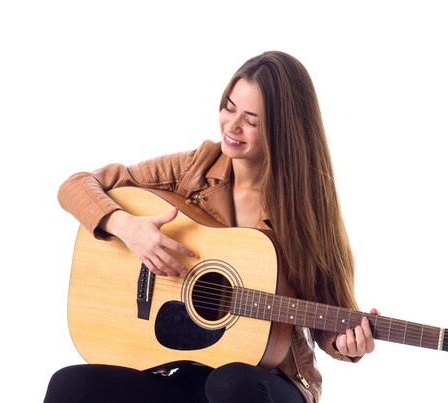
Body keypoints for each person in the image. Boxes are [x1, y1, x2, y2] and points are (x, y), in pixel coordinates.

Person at [44, 50, 376, 403]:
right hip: (186, 370)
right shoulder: (193, 169)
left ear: (284, 129)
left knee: (231, 382)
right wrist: (129, 228)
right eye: (229, 107)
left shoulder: (308, 208)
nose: (231, 126)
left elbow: (331, 317)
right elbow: (76, 186)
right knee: (71, 386)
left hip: (268, 383)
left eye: (251, 119)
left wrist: (347, 344)